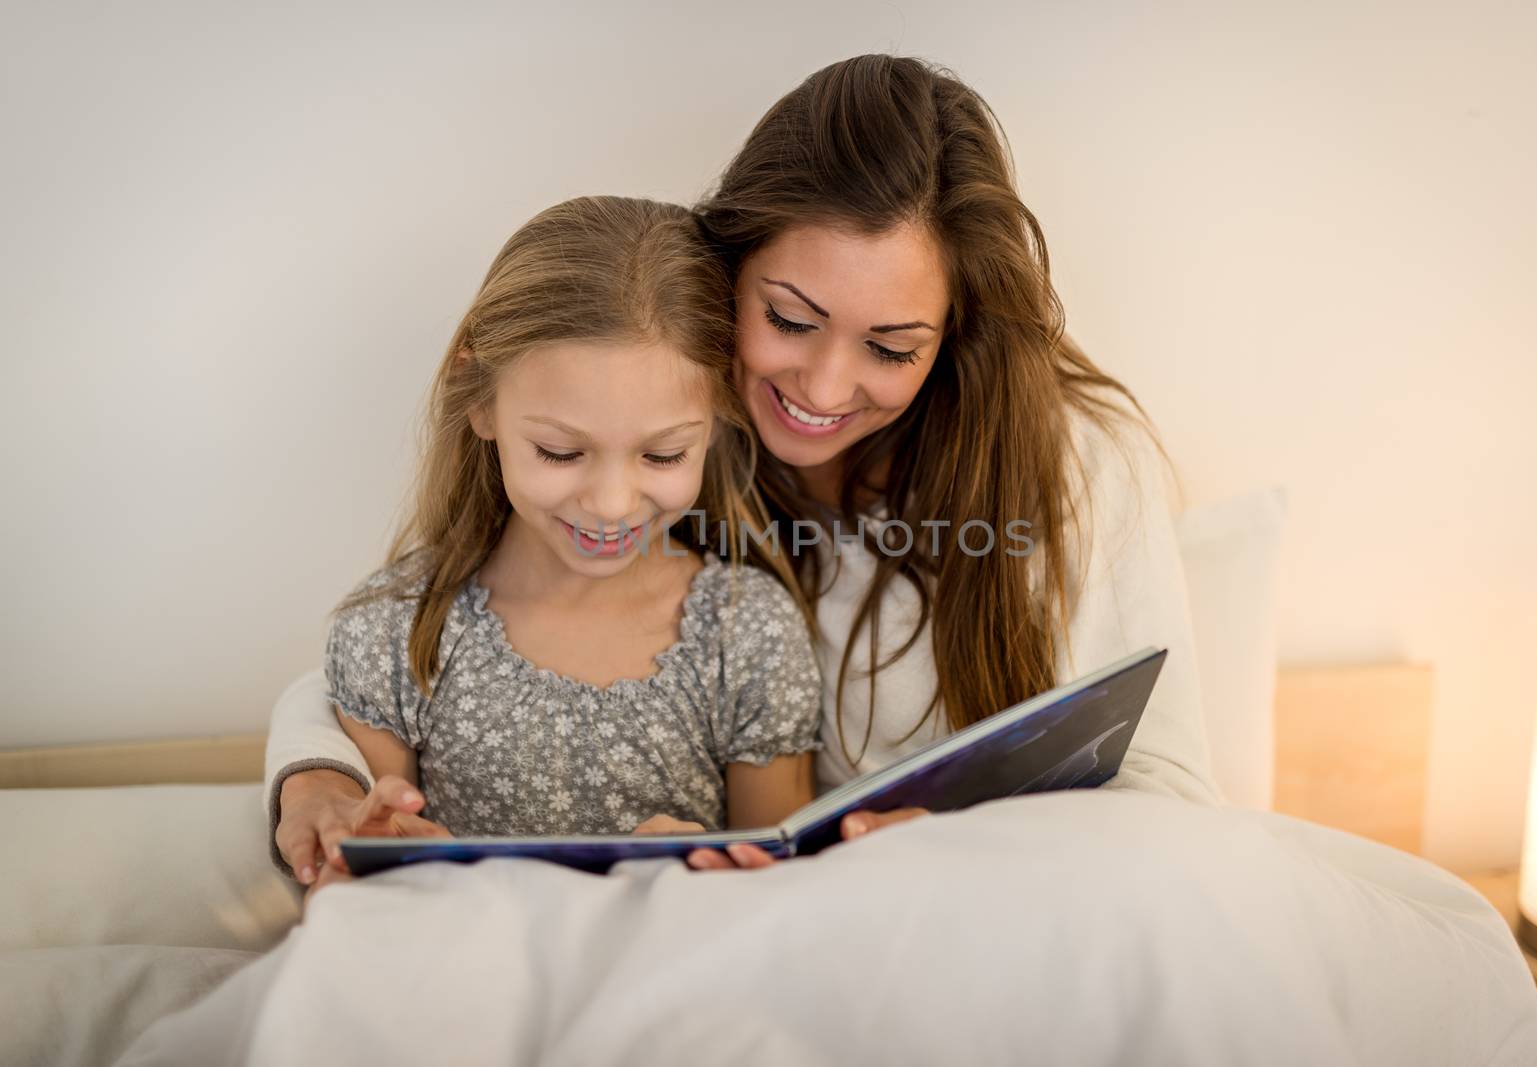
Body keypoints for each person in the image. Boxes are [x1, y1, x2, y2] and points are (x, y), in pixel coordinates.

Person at [267, 54, 1219, 889]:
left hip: (990, 901)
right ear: (726, 275)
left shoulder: (1076, 464)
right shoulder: (671, 409)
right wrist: (320, 771)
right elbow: (402, 645)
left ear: (952, 337)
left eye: (891, 348)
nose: (823, 384)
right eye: (793, 321)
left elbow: (1169, 793)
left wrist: (977, 852)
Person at [273, 194, 823, 887]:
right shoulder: (393, 632)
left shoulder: (747, 632)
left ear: (714, 422)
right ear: (479, 399)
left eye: (662, 456)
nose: (612, 503)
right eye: (561, 452)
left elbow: (786, 895)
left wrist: (711, 874)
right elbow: (362, 897)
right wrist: (377, 861)